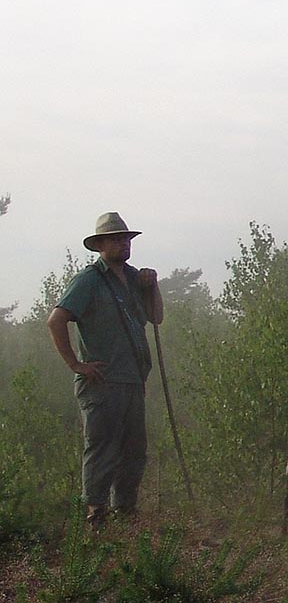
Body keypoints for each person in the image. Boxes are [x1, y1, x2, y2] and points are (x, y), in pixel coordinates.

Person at [47, 212, 164, 527]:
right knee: (102, 448)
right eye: (115, 238)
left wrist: (153, 287)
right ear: (99, 245)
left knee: (134, 450)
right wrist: (76, 364)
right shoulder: (88, 280)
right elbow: (56, 320)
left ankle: (125, 511)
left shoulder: (136, 277)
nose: (123, 243)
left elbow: (156, 317)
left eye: (126, 238)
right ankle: (96, 513)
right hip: (101, 382)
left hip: (132, 379)